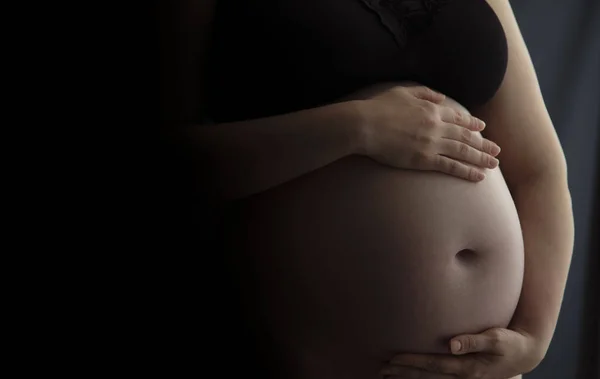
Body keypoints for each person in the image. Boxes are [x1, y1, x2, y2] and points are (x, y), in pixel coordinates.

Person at [159, 1, 575, 378]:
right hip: (315, 349)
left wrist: (533, 338)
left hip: (482, 368)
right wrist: (358, 127)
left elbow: (540, 171)